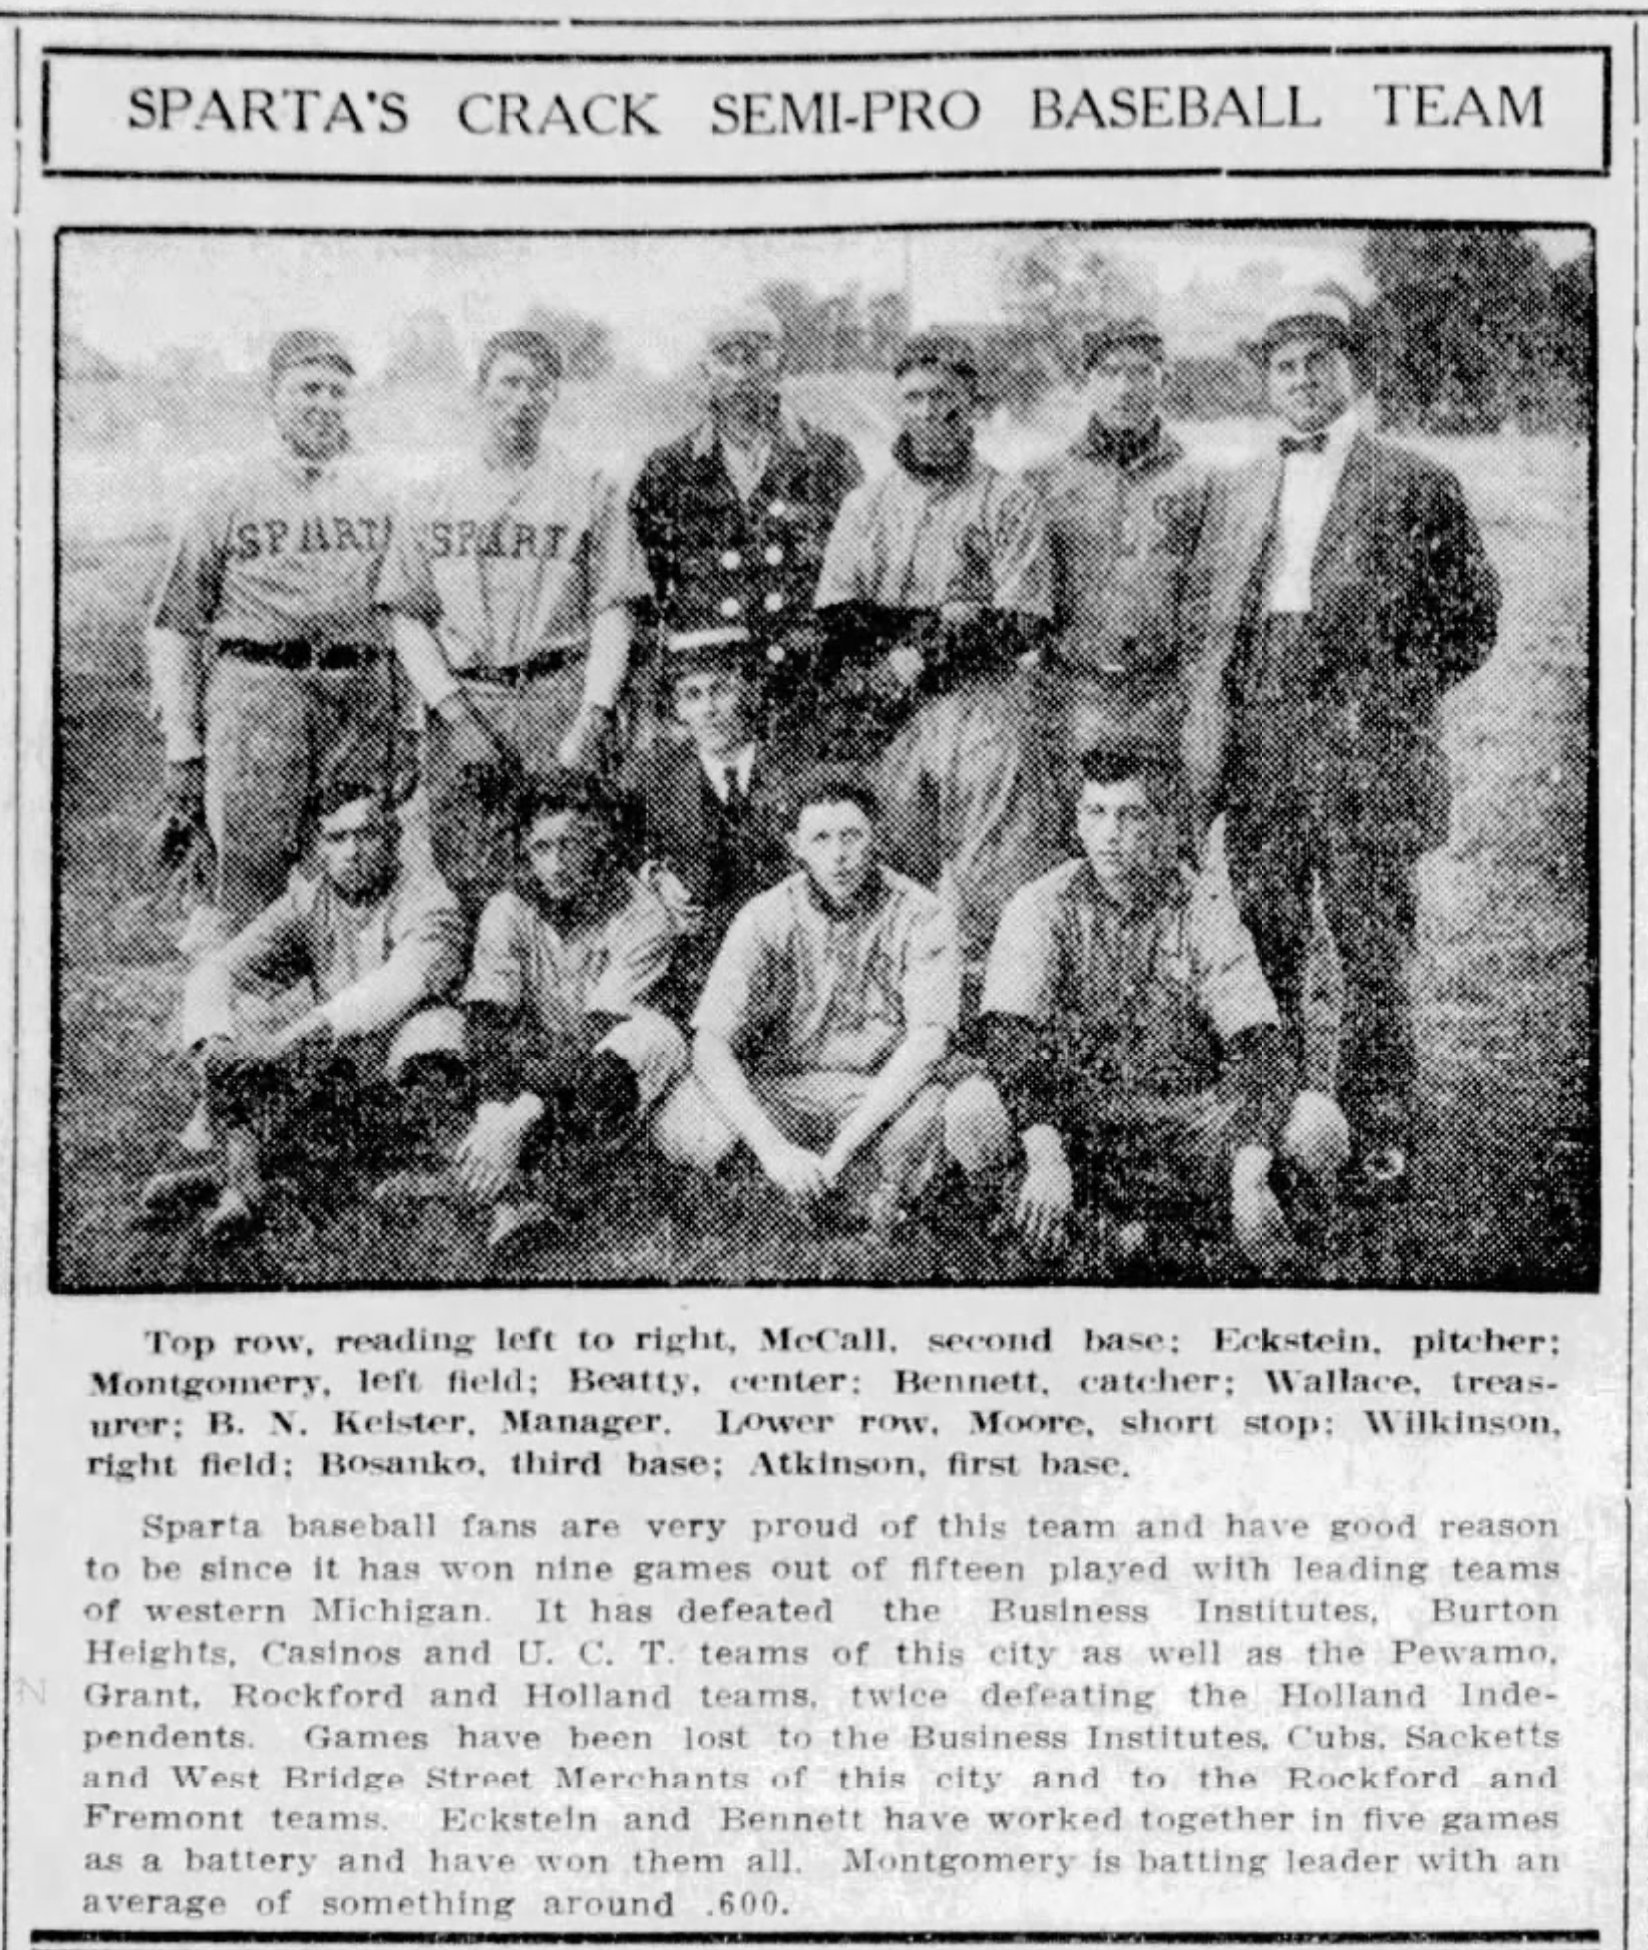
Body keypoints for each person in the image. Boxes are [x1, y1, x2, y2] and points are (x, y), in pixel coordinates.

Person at [1180, 287, 1501, 1191]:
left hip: (1368, 747)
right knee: (1266, 935)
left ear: (1350, 368)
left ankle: (1378, 1122)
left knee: (1372, 942)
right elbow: (1211, 623)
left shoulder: (1416, 481)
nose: (1301, 380)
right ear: (1267, 383)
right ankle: (1276, 1120)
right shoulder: (1237, 487)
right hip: (1266, 740)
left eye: (1319, 362)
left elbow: (1473, 618)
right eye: (1284, 367)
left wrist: (1391, 698)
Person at [944, 745, 1350, 1275]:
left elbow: (1259, 1045)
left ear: (1162, 823)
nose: (1110, 833)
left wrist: (1250, 1174)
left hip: (1185, 1123)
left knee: (1318, 1124)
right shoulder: (1040, 905)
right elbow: (1008, 1036)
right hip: (1079, 1128)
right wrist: (1045, 1155)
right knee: (972, 1109)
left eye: (1131, 815)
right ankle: (1036, 1239)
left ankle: (1258, 1246)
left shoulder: (1204, 907)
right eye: (1096, 812)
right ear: (1078, 821)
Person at [376, 328, 652, 922]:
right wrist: (453, 713)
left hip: (558, 693)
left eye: (538, 386)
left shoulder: (590, 487)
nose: (522, 399)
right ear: (480, 391)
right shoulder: (430, 494)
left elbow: (614, 608)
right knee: (471, 868)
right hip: (468, 699)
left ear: (554, 396)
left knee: (570, 862)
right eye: (508, 383)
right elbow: (407, 616)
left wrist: (594, 713)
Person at [813, 331, 1059, 975]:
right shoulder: (866, 504)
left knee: (995, 877)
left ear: (971, 402)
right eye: (914, 397)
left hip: (984, 708)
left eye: (944, 396)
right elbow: (840, 617)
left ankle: (998, 1010)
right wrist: (942, 622)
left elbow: (1021, 622)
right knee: (890, 877)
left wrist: (920, 649)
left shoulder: (1007, 499)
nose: (928, 412)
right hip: (893, 712)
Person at [146, 328, 399, 945]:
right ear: (273, 396)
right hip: (259, 693)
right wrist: (182, 741)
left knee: (353, 866)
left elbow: (407, 615)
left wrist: (411, 723)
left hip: (359, 694)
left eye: (337, 392)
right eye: (308, 389)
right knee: (249, 873)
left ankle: (338, 999)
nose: (324, 404)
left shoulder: (380, 489)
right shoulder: (228, 490)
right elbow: (176, 622)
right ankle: (228, 998)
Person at [139, 773, 468, 1242]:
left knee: (432, 1032)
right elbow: (219, 970)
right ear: (319, 846)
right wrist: (214, 1043)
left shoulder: (429, 898)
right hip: (343, 1075)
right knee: (241, 1022)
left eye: (368, 834)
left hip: (412, 1078)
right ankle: (241, 1185)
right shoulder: (308, 902)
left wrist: (293, 1038)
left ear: (393, 837)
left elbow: (401, 983)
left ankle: (449, 1172)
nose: (353, 851)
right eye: (337, 838)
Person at [655, 772, 961, 1228]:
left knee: (944, 1109)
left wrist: (843, 1148)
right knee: (684, 1111)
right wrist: (772, 1149)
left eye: (852, 836)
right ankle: (794, 1185)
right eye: (820, 838)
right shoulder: (764, 916)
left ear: (876, 836)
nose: (838, 855)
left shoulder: (922, 912)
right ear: (795, 845)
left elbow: (929, 1042)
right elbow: (709, 1042)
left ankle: (848, 1188)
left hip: (875, 1092)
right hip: (783, 1089)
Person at [454, 770, 687, 1255]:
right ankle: (502, 1185)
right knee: (452, 1033)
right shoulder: (507, 908)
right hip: (543, 1061)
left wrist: (516, 1122)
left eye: (572, 845)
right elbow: (488, 1017)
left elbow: (597, 1029)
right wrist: (495, 1118)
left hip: (622, 1075)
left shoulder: (642, 913)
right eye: (542, 847)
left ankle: (547, 1192)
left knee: (646, 1037)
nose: (557, 864)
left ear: (600, 843)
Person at [629, 303, 862, 746]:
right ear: (705, 370)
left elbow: (858, 590)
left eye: (753, 356)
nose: (739, 374)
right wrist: (660, 705)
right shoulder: (667, 470)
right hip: (710, 708)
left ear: (781, 367)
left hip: (807, 699)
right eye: (725, 358)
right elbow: (645, 600)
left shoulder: (829, 458)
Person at [1029, 315, 1207, 825]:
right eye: (1109, 372)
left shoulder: (1196, 483)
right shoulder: (1045, 480)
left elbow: (1207, 602)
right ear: (1085, 381)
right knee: (1074, 838)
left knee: (1159, 838)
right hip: (1073, 695)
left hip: (1163, 697)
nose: (1125, 388)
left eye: (1141, 371)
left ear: (1164, 379)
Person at [620, 629, 795, 1014]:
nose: (708, 709)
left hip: (787, 968)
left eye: (721, 690)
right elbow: (619, 843)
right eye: (692, 695)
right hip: (691, 977)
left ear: (750, 692)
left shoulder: (793, 771)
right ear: (678, 708)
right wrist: (654, 875)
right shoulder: (655, 779)